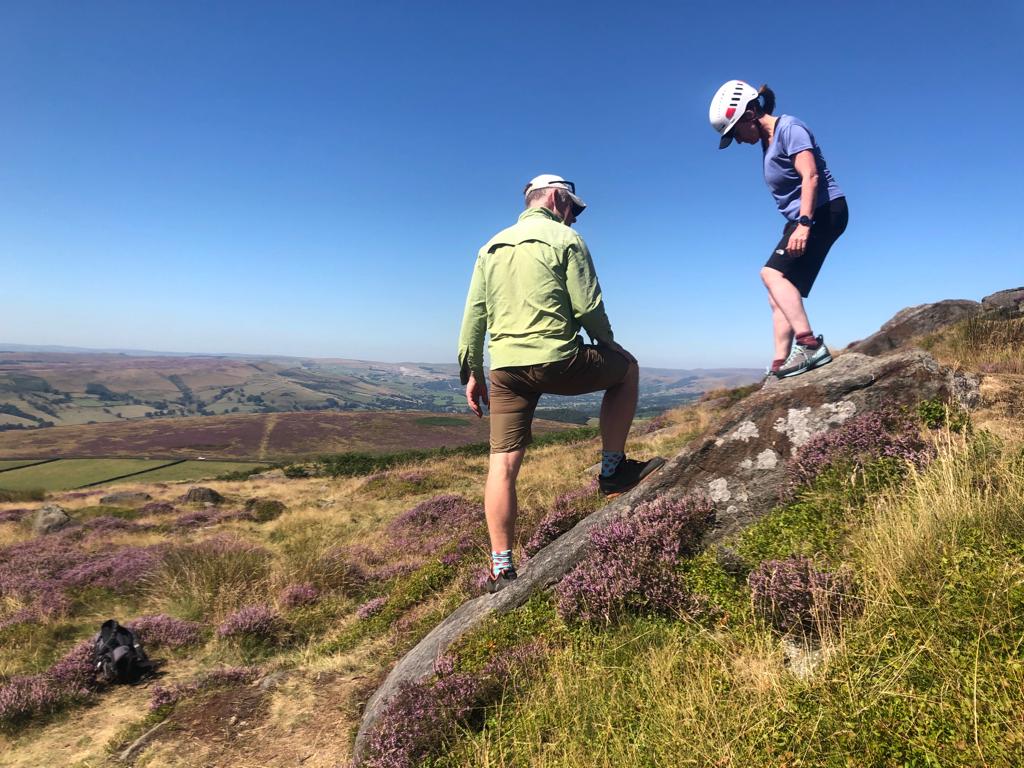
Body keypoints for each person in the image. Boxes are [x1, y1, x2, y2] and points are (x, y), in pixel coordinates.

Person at [457, 174, 665, 593]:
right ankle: (613, 472)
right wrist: (611, 346)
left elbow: (474, 317)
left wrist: (472, 372)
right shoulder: (564, 240)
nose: (575, 217)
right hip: (558, 360)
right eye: (574, 207)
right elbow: (588, 306)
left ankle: (501, 568)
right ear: (555, 198)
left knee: (502, 465)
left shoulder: (490, 247)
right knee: (628, 370)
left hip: (506, 370)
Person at [709, 80, 849, 378]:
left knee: (770, 274)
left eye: (734, 133)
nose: (737, 141)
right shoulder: (768, 140)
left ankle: (809, 346)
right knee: (780, 290)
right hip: (806, 217)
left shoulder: (789, 128)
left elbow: (810, 176)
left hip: (821, 212)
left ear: (749, 115)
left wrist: (804, 224)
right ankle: (779, 362)